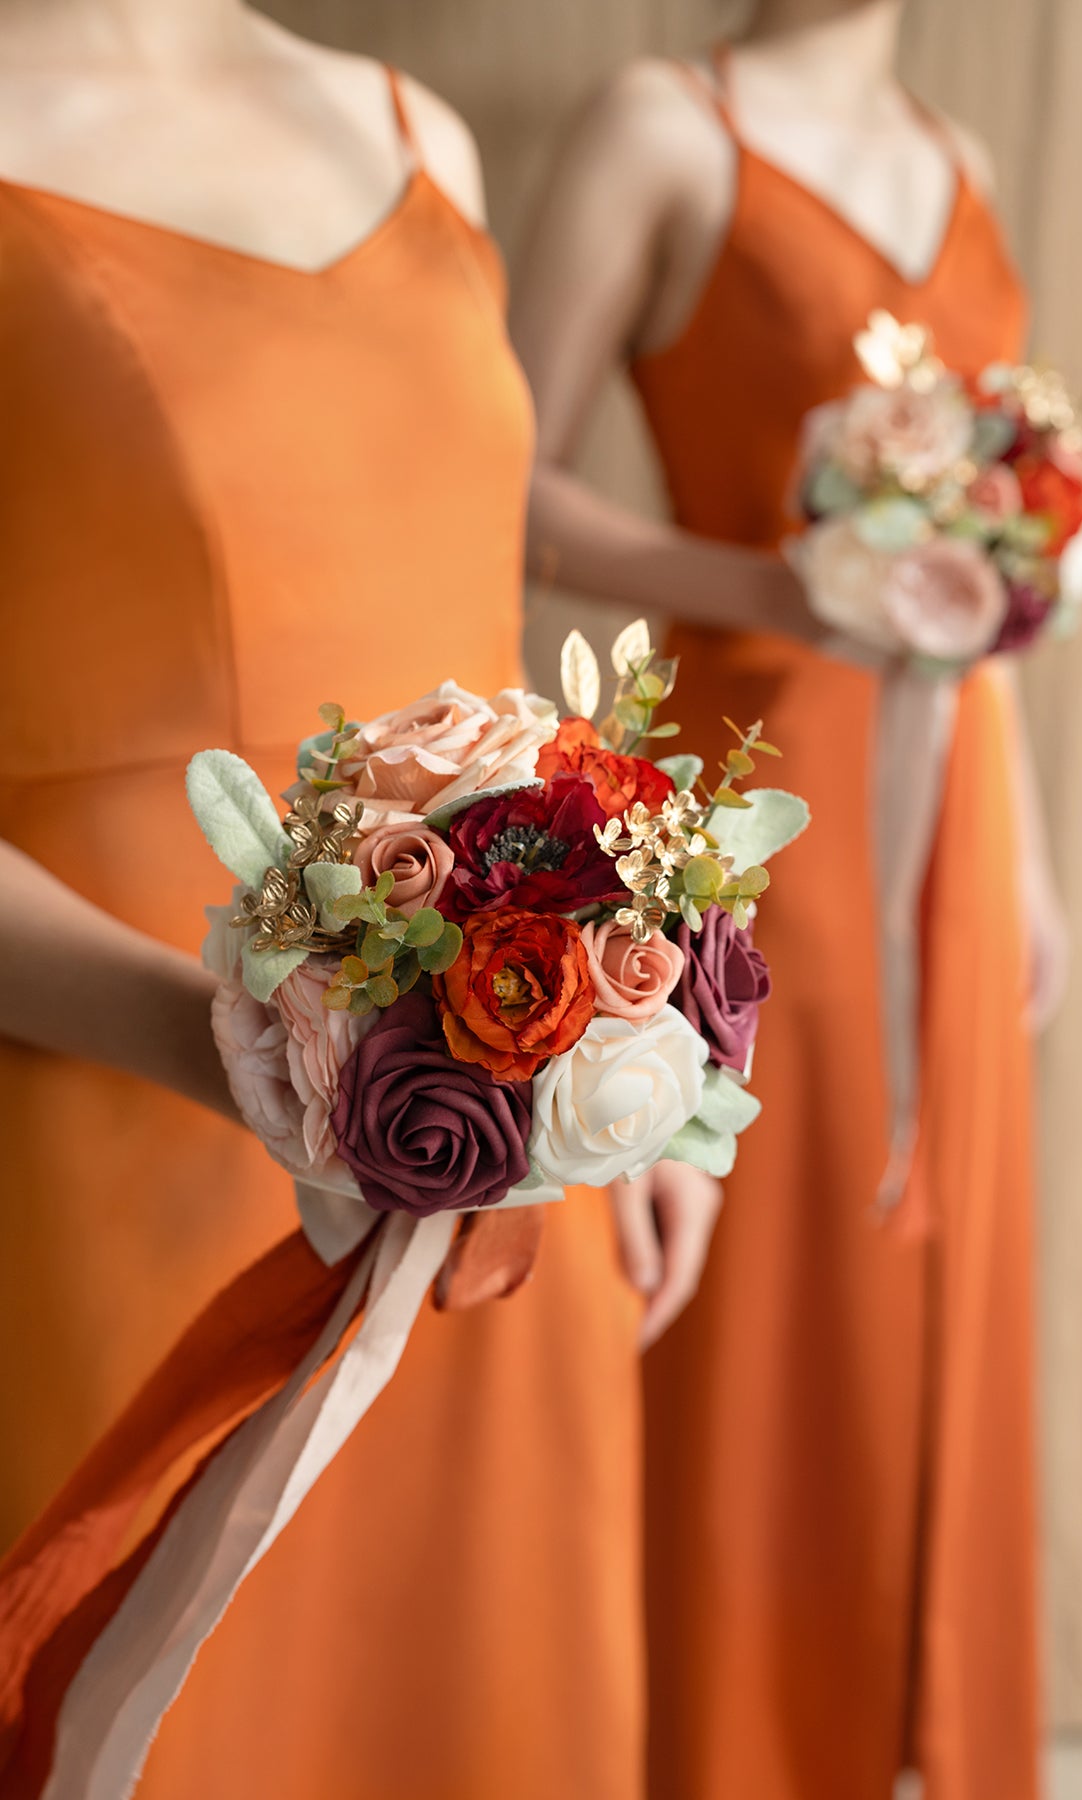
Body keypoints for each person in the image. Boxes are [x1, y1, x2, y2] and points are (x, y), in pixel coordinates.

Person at [0, 4, 646, 1795]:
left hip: (498, 1134)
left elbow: (489, 649)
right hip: (126, 1110)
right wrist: (252, 1061)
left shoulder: (416, 131)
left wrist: (633, 1045)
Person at [512, 2, 1066, 1795]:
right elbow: (503, 480)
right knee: (766, 1295)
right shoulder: (661, 130)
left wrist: (1031, 844)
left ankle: (920, 1739)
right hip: (754, 800)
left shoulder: (961, 165)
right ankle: (734, 1749)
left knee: (937, 1278)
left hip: (959, 820)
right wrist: (782, 576)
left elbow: (990, 585)